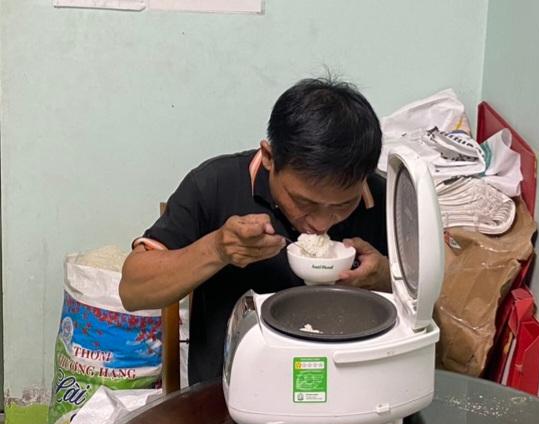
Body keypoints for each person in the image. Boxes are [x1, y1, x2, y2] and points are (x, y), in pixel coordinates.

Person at [119, 77, 390, 385]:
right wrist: (217, 249)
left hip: (351, 388)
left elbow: (427, 318)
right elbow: (132, 290)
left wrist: (386, 279)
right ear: (270, 157)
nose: (321, 223)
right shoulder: (215, 184)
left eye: (343, 204)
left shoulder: (385, 197)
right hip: (227, 392)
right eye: (304, 202)